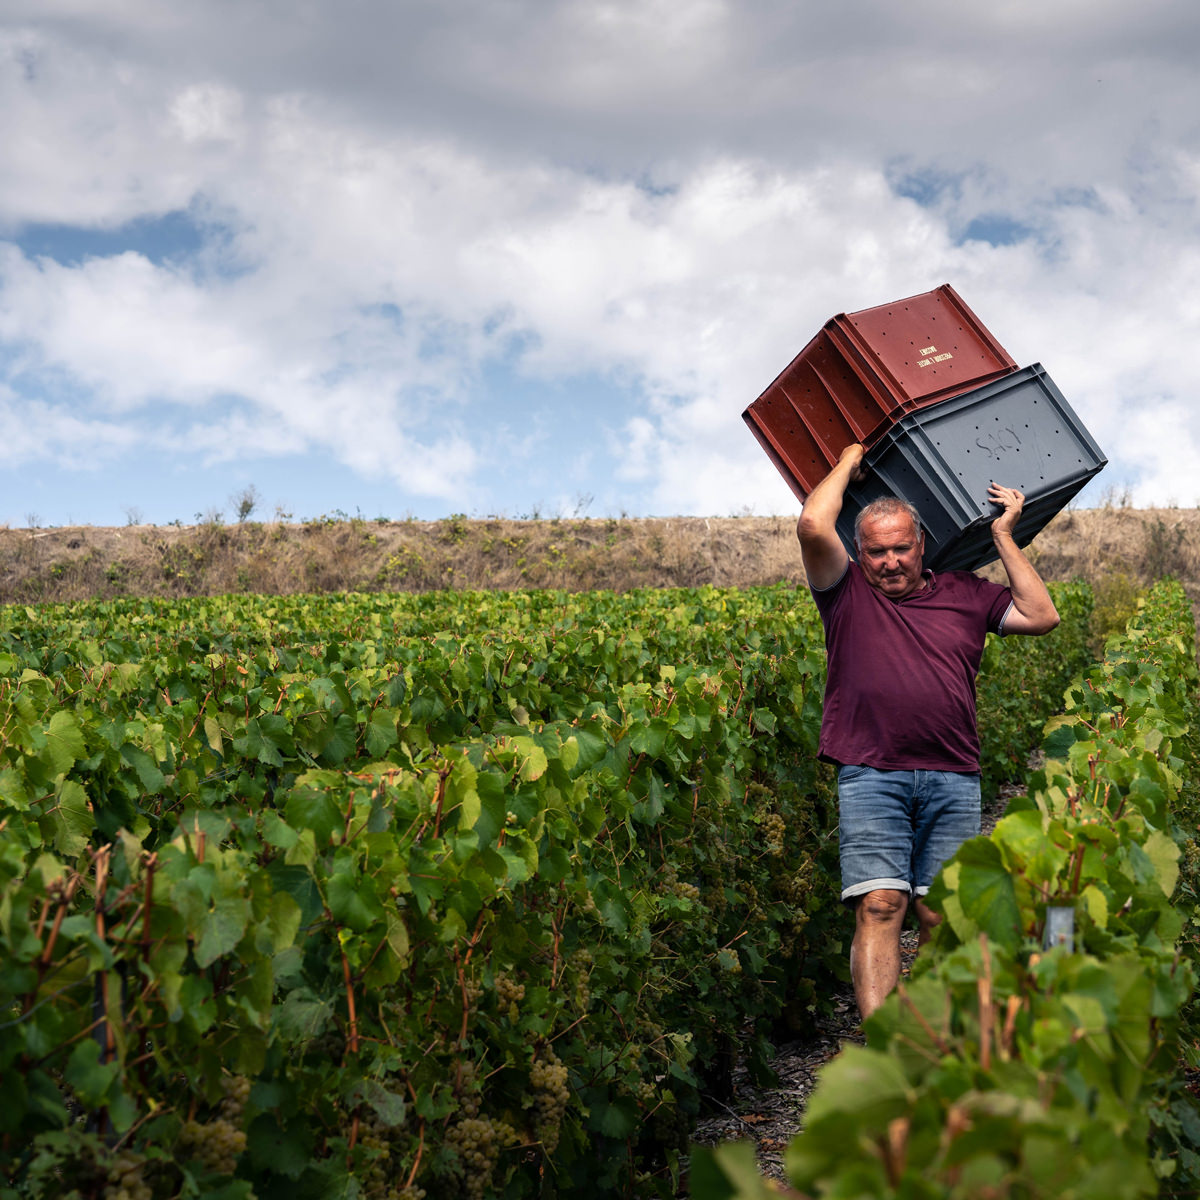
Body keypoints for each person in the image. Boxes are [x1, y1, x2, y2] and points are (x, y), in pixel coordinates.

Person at [796, 442, 1060, 1019]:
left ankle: (937, 1037)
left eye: (901, 548)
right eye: (876, 551)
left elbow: (1042, 616)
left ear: (922, 545)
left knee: (941, 913)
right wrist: (849, 459)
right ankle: (886, 1047)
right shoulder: (843, 591)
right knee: (880, 904)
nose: (890, 562)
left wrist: (1004, 536)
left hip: (953, 775)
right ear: (859, 553)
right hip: (871, 774)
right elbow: (814, 523)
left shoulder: (967, 593)